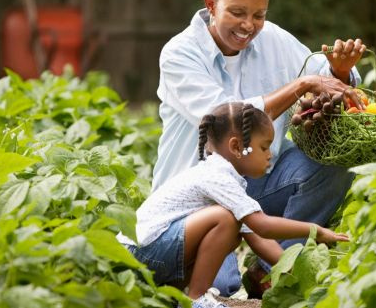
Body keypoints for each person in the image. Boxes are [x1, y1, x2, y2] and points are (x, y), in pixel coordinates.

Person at [153, 0, 367, 296]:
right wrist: (300, 86)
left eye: (258, 15)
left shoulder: (274, 39)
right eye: (237, 13)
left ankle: (269, 274)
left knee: (334, 161)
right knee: (218, 287)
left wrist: (338, 72)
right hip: (198, 198)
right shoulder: (180, 54)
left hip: (258, 179)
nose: (249, 25)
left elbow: (324, 75)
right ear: (211, 5)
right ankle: (179, 269)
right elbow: (226, 120)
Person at [117, 102, 349, 308]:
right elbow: (263, 226)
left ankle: (178, 296)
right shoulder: (218, 176)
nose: (270, 155)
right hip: (139, 252)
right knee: (225, 220)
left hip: (148, 253)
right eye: (264, 147)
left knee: (234, 226)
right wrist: (315, 231)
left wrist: (299, 277)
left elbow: (261, 241)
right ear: (237, 147)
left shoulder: (229, 181)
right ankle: (196, 298)